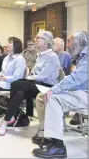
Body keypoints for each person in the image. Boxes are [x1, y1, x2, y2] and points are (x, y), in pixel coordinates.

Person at [32, 31, 88, 159]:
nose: (67, 45)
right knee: (41, 97)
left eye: (69, 41)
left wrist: (54, 90)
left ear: (79, 42)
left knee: (53, 98)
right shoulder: (82, 56)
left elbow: (76, 78)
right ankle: (46, 134)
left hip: (85, 93)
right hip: (79, 91)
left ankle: (57, 145)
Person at [0, 31, 60, 136]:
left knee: (16, 83)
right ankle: (8, 118)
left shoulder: (52, 56)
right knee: (20, 92)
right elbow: (34, 73)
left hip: (46, 87)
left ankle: (8, 118)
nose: (35, 39)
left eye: (38, 38)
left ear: (46, 41)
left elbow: (42, 76)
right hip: (35, 84)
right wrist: (30, 78)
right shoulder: (40, 55)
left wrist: (29, 78)